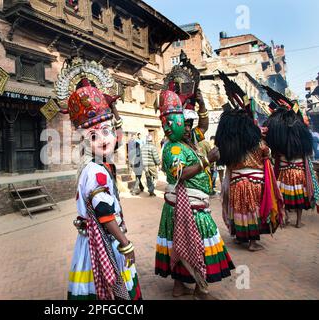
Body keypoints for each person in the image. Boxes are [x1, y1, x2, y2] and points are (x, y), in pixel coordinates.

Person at [56, 58, 142, 300]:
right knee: (112, 292)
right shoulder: (95, 171)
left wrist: (114, 113)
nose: (104, 139)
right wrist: (125, 243)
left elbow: (118, 138)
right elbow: (104, 214)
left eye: (107, 133)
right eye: (94, 135)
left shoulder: (96, 164)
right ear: (85, 140)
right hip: (104, 241)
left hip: (91, 241)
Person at [155, 87, 235, 300]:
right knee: (199, 245)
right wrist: (207, 160)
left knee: (180, 243)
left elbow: (204, 126)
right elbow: (180, 174)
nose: (191, 129)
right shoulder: (173, 148)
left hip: (186, 205)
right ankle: (201, 289)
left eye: (191, 126)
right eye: (187, 125)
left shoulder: (189, 141)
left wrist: (201, 105)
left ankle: (179, 286)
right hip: (187, 208)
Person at [216, 109, 284, 251]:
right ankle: (253, 242)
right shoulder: (258, 143)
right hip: (255, 183)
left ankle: (241, 238)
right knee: (253, 211)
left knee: (239, 210)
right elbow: (267, 154)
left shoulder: (230, 147)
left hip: (236, 183)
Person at [265, 107, 319, 228]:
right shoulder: (302, 140)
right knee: (299, 199)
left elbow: (276, 155)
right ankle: (298, 222)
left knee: (284, 197)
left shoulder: (279, 139)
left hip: (284, 173)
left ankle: (285, 219)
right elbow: (307, 155)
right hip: (299, 173)